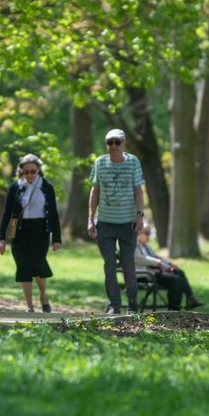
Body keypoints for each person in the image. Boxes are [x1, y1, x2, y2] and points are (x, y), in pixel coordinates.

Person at [89, 128, 145, 315]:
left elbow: (138, 191)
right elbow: (95, 191)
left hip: (128, 222)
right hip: (105, 222)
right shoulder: (100, 163)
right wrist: (91, 218)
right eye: (109, 142)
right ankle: (115, 304)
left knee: (128, 263)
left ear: (124, 143)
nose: (113, 146)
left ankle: (132, 303)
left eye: (117, 142)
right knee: (110, 264)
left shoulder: (133, 162)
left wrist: (140, 215)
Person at [0, 154, 61, 313]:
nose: (30, 175)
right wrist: (1, 239)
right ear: (21, 172)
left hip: (40, 230)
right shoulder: (15, 187)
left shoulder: (47, 187)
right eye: (27, 172)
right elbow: (7, 213)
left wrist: (57, 238)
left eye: (33, 171)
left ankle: (43, 296)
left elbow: (53, 213)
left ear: (39, 170)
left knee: (38, 264)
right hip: (20, 231)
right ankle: (29, 306)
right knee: (23, 266)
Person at [135, 226, 205, 311]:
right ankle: (174, 310)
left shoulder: (145, 245)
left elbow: (156, 257)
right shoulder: (134, 245)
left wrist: (169, 264)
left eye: (149, 233)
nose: (148, 236)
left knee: (179, 272)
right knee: (175, 280)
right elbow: (141, 259)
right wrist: (159, 263)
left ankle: (190, 299)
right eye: (146, 233)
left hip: (154, 271)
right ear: (138, 233)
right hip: (145, 275)